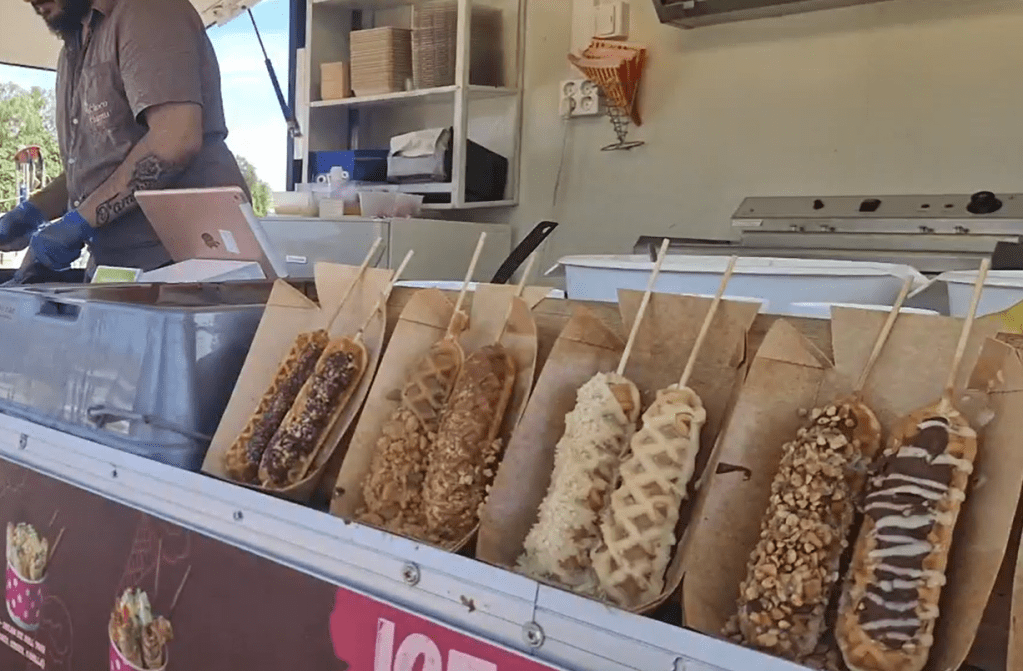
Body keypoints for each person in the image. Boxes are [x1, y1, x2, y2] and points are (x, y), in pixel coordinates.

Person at [0, 0, 250, 277]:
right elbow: (98, 169)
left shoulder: (147, 11)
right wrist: (33, 212)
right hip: (119, 265)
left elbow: (175, 140)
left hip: (190, 263)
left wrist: (79, 223)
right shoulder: (72, 50)